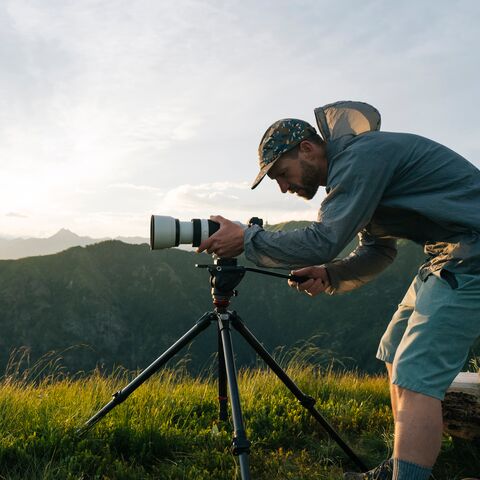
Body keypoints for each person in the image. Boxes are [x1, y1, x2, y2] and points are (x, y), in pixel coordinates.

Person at [197, 101, 480, 480]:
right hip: (447, 255)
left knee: (416, 370)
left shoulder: (361, 158)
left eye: (282, 173)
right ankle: (403, 467)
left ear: (308, 149)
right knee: (395, 349)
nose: (282, 187)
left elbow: (324, 239)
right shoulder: (359, 170)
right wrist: (331, 275)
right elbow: (378, 249)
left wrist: (248, 239)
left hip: (471, 253)